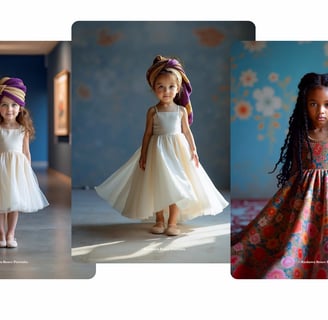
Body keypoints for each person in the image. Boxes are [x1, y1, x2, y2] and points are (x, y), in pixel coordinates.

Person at [95, 55, 229, 236]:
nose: (166, 91)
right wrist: (143, 155)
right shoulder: (153, 111)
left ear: (178, 88)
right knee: (159, 185)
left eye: (171, 87)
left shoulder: (181, 111)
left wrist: (193, 150)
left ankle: (172, 223)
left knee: (175, 185)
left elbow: (187, 132)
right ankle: (159, 220)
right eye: (161, 87)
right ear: (153, 88)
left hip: (177, 151)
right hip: (157, 151)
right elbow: (148, 134)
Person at [231, 72, 328, 279]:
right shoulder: (301, 133)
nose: (321, 111)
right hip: (304, 198)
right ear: (304, 104)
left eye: (327, 104)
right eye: (313, 104)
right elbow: (296, 169)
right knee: (287, 233)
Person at [0, 77, 49, 248]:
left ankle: (10, 233)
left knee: (14, 203)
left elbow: (26, 152)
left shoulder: (22, 129)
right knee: (1, 204)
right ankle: (1, 234)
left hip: (16, 171)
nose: (9, 109)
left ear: (20, 108)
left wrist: (27, 173)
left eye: (14, 105)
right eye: (4, 105)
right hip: (1, 170)